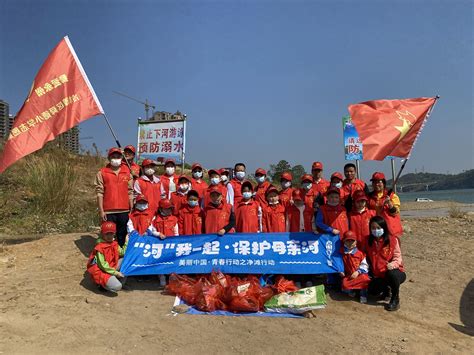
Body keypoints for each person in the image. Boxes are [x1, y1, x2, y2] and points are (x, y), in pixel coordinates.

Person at [365, 216, 406, 311]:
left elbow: (398, 257)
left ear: (384, 228)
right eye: (373, 228)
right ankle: (386, 290)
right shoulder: (367, 241)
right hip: (378, 274)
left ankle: (395, 298)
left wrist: (393, 265)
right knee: (372, 291)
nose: (376, 230)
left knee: (392, 275)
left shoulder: (392, 240)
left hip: (393, 272)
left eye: (378, 228)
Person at [95, 147, 134, 247]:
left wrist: (131, 206)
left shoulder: (127, 172)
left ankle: (120, 253)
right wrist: (101, 210)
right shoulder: (102, 172)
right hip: (108, 210)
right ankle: (107, 253)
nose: (116, 158)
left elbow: (130, 191)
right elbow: (100, 192)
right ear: (109, 158)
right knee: (108, 234)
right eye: (113, 156)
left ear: (122, 158)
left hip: (124, 210)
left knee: (122, 234)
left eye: (118, 156)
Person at [86, 221, 128, 293]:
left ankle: (115, 281)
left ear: (114, 234)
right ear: (102, 234)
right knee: (117, 287)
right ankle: (102, 285)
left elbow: (122, 252)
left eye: (111, 233)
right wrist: (116, 273)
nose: (109, 236)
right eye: (107, 234)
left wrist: (126, 242)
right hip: (102, 271)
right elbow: (102, 265)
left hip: (111, 267)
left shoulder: (114, 244)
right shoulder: (99, 247)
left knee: (126, 260)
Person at [367, 172, 403, 239]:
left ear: (383, 183)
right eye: (374, 182)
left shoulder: (392, 196)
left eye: (379, 182)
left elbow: (395, 212)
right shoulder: (369, 197)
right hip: (376, 229)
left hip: (391, 229)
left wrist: (390, 204)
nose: (377, 184)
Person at [339, 230, 370, 304]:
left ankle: (363, 295)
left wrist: (358, 271)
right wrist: (340, 270)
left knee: (365, 279)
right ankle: (353, 290)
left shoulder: (360, 253)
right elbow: (337, 263)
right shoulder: (341, 252)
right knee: (344, 285)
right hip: (349, 276)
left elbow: (365, 265)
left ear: (356, 242)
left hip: (359, 275)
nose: (350, 243)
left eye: (352, 241)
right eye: (347, 241)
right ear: (344, 241)